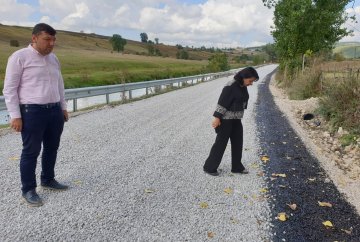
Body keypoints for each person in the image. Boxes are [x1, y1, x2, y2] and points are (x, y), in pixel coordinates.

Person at [3, 23, 69, 207]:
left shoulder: (54, 59)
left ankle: (48, 180)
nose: (51, 44)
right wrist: (15, 115)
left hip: (54, 110)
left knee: (52, 147)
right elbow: (9, 89)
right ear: (34, 38)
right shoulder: (19, 57)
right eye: (47, 39)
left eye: (53, 40)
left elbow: (59, 85)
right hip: (32, 112)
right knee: (31, 151)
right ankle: (28, 190)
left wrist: (63, 107)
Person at [203, 67, 259, 176]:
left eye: (252, 81)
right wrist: (217, 118)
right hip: (225, 120)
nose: (251, 83)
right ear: (244, 77)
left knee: (238, 143)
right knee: (220, 144)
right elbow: (222, 102)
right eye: (250, 81)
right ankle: (209, 167)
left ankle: (237, 167)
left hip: (236, 120)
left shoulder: (242, 86)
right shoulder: (230, 86)